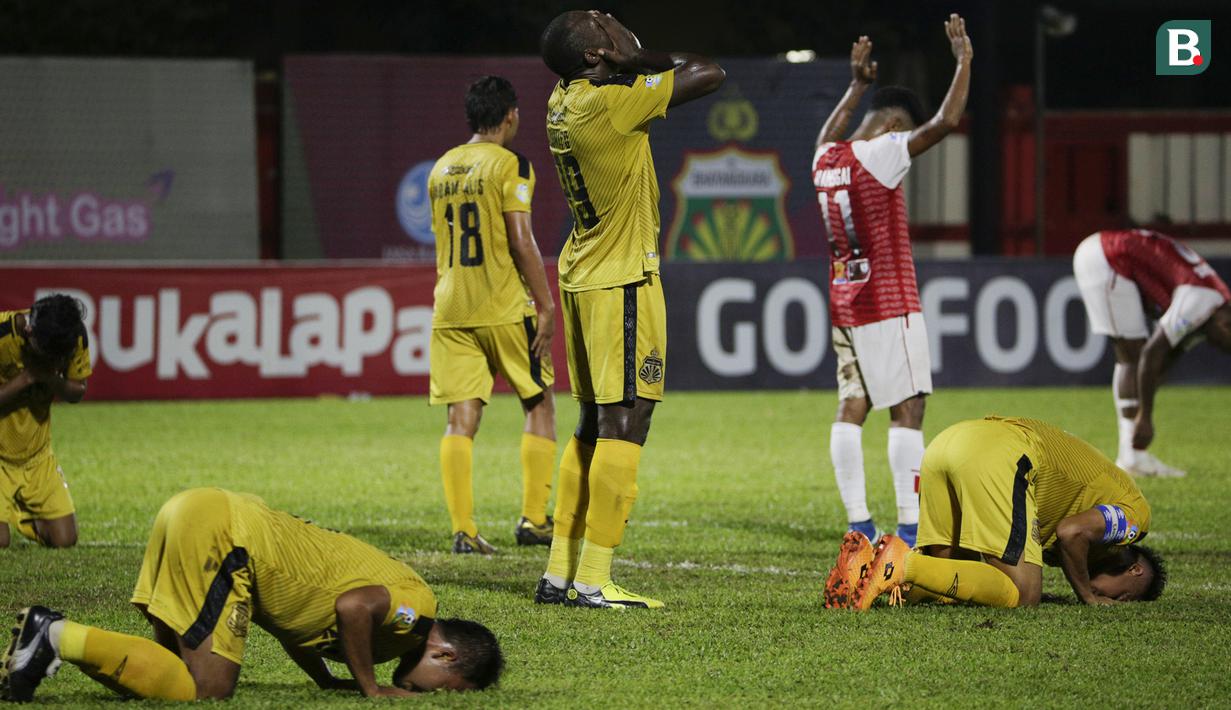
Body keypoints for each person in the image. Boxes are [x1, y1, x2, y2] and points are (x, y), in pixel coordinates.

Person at [532, 10, 724, 608]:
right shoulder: (613, 104)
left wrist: (619, 58)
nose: (612, 20)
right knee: (628, 419)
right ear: (595, 57)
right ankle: (594, 578)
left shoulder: (563, 99)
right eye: (601, 25)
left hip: (584, 272)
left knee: (592, 420)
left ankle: (559, 572)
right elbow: (709, 72)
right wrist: (637, 56)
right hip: (621, 280)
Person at [0, 488, 503, 702]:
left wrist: (325, 680)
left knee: (175, 665)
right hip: (227, 537)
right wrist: (370, 688)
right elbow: (353, 606)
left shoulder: (390, 633)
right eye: (441, 688)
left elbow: (301, 625)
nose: (420, 694)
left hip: (196, 510)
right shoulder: (417, 615)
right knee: (209, 690)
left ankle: (45, 646)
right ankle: (55, 635)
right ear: (444, 653)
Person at [811, 15, 973, 548]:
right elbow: (945, 123)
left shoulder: (826, 158)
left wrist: (855, 86)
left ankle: (858, 522)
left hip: (844, 302)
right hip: (889, 302)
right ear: (895, 126)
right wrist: (965, 61)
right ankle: (907, 525)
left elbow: (827, 133)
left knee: (851, 406)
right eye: (904, 130)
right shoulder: (882, 153)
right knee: (908, 409)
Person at [823, 416, 1166, 610]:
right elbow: (1072, 533)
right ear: (1135, 569)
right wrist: (1089, 598)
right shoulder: (1136, 518)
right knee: (1024, 595)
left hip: (948, 443)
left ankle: (861, 572)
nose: (1115, 600)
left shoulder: (1099, 504)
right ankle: (902, 561)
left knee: (946, 582)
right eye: (1124, 596)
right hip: (1002, 455)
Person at [428, 75, 559, 554]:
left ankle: (464, 530)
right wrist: (545, 304)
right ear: (510, 115)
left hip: (451, 308)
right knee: (539, 402)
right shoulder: (511, 165)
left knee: (460, 417)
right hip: (503, 305)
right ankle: (533, 520)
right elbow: (520, 239)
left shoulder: (441, 168)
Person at [1073, 228, 1231, 478]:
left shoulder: (1214, 306)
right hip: (1106, 256)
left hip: (1111, 253)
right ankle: (1131, 457)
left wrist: (1149, 395)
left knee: (1136, 355)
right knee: (1132, 354)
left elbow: (1168, 356)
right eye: (1225, 344)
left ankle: (1132, 456)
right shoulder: (1201, 300)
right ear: (1225, 324)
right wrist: (1144, 416)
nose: (1219, 347)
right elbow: (1151, 355)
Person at [0, 295, 90, 550]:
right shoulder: (3, 335)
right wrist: (26, 378)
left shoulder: (71, 335)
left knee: (64, 540)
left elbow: (77, 391)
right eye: (50, 355)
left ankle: (17, 512)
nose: (56, 360)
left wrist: (50, 379)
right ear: (30, 333)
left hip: (37, 456)